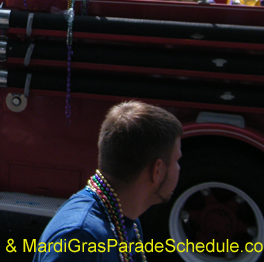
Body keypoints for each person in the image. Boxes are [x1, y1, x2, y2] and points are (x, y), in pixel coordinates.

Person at [33, 101, 182, 262]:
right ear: (157, 170)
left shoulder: (126, 217)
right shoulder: (80, 237)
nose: (179, 168)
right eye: (176, 160)